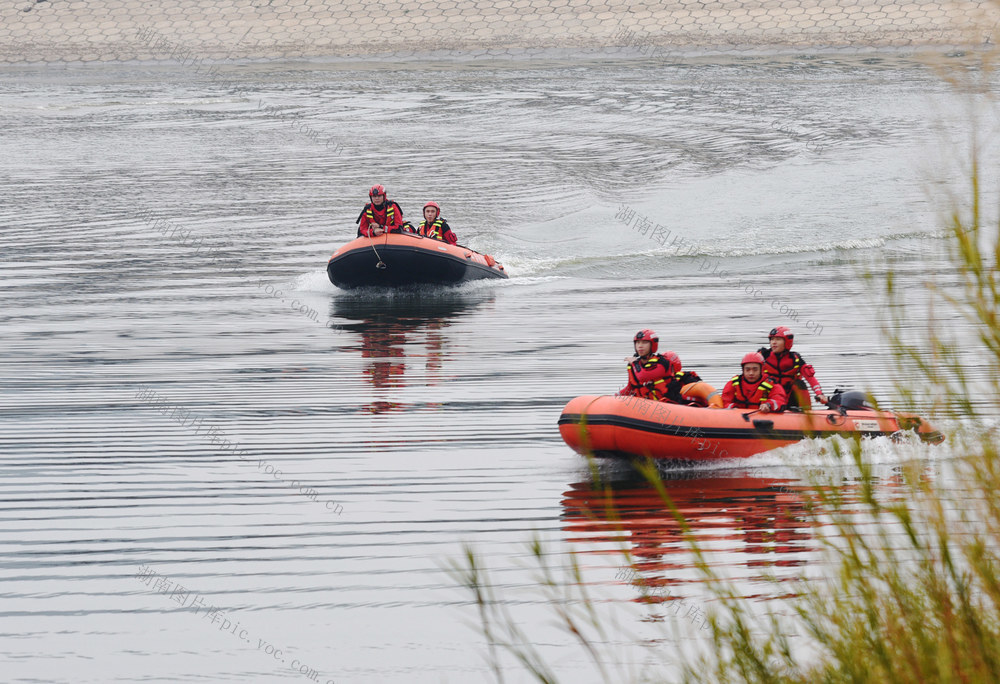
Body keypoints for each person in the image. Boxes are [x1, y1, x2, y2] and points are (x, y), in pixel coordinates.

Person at [757, 326, 827, 409]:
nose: (773, 342)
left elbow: (810, 378)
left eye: (778, 339)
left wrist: (819, 394)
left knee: (799, 384)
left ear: (787, 342)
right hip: (770, 397)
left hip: (790, 398)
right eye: (772, 339)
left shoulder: (795, 359)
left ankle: (805, 412)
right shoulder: (763, 356)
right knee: (763, 384)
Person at [722, 352, 787, 413]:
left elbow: (779, 400)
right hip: (737, 417)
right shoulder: (734, 383)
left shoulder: (771, 384)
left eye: (755, 369)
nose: (751, 373)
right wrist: (733, 408)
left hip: (763, 417)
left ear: (761, 370)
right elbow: (725, 401)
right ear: (743, 370)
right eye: (747, 369)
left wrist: (768, 405)